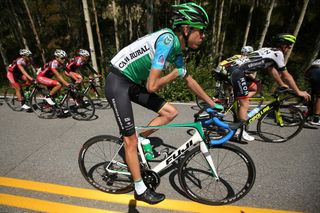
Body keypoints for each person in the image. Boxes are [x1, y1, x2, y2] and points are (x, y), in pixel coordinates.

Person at [105, 2, 222, 205]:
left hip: (130, 82)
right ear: (186, 29)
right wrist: (174, 74)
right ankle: (139, 188)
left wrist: (212, 103)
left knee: (170, 112)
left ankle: (138, 141)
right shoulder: (167, 40)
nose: (203, 36)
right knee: (130, 139)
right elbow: (152, 86)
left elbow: (189, 79)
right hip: (117, 82)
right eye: (201, 31)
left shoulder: (176, 49)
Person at [229, 33, 310, 141]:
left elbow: (272, 70)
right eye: (288, 44)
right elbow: (287, 76)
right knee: (245, 102)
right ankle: (240, 131)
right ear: (282, 45)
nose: (290, 47)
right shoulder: (278, 53)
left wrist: (281, 84)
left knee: (258, 87)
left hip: (233, 69)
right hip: (237, 72)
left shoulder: (268, 50)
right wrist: (299, 92)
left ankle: (238, 103)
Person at [304, 59, 320, 125]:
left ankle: (309, 112)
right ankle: (316, 119)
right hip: (318, 73)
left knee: (313, 92)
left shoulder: (317, 60)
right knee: (319, 96)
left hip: (309, 72)